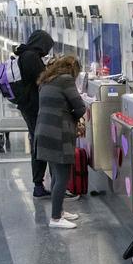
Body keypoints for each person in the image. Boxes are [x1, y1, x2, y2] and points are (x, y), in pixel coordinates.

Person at [33, 56, 87, 229]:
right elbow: (79, 107)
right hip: (58, 134)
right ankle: (56, 218)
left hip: (44, 132)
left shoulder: (47, 79)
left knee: (56, 174)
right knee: (62, 176)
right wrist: (73, 121)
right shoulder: (66, 80)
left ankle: (60, 211)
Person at [12, 30, 56, 197]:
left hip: (28, 106)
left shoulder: (25, 53)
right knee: (40, 144)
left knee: (37, 142)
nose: (46, 51)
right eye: (47, 46)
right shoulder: (31, 57)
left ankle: (41, 183)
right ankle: (39, 184)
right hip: (33, 107)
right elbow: (43, 79)